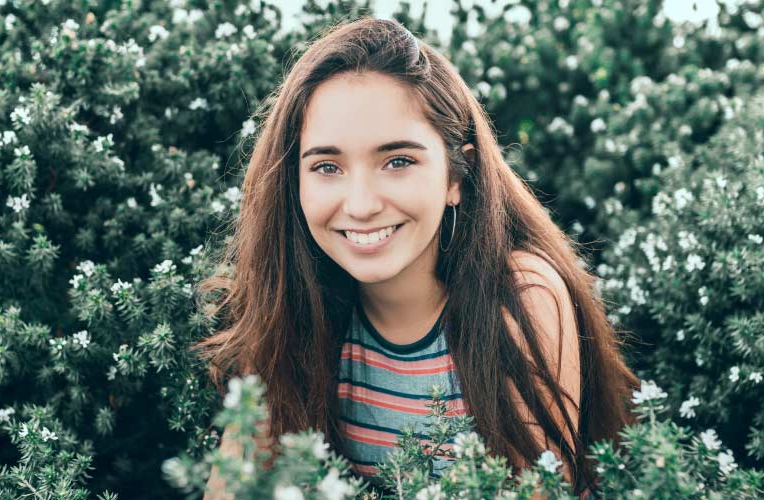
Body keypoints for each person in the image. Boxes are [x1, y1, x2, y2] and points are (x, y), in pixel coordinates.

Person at [193, 16, 640, 500]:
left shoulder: (522, 297)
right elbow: (232, 488)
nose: (361, 204)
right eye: (327, 166)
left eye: (398, 161)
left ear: (455, 176)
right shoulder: (290, 303)